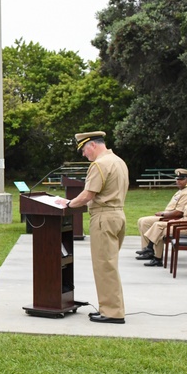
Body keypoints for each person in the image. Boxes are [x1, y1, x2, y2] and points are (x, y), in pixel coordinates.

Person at [63, 131, 129, 324]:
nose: (84, 154)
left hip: (103, 217)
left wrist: (67, 204)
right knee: (109, 264)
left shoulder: (99, 164)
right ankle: (110, 307)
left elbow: (87, 195)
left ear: (92, 145)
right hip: (118, 215)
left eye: (84, 149)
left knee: (104, 266)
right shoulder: (118, 161)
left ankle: (112, 312)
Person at [139, 177, 187, 266]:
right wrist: (176, 221)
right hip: (182, 225)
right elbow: (185, 216)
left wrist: (177, 222)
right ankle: (155, 256)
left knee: (159, 228)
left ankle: (151, 250)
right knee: (158, 228)